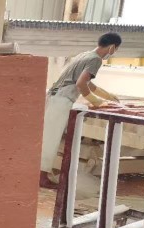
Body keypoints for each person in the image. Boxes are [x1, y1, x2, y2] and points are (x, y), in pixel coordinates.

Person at [40, 32, 122, 189]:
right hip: (61, 99)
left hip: (54, 96)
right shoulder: (95, 60)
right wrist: (95, 101)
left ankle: (41, 176)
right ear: (112, 47)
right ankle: (42, 179)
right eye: (116, 49)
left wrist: (106, 96)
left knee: (47, 138)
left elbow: (87, 83)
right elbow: (81, 83)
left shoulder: (84, 55)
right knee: (50, 140)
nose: (114, 52)